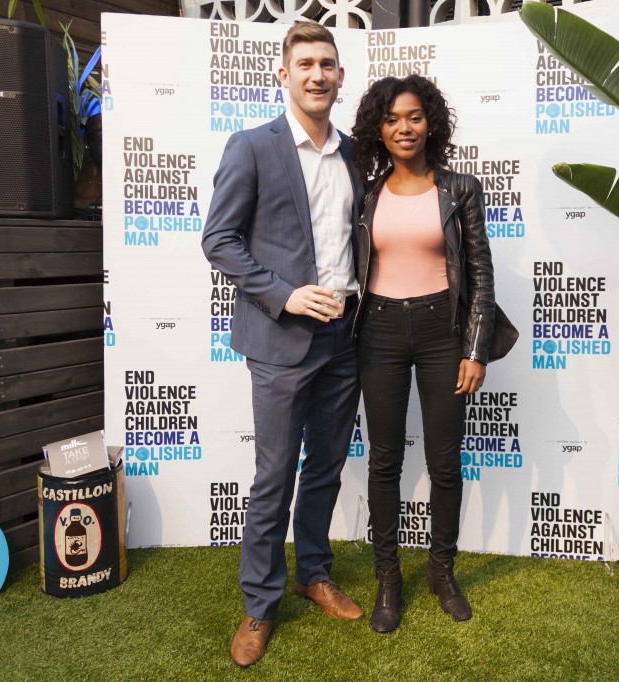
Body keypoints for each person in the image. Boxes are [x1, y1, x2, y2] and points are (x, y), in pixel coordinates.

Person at [201, 20, 364, 668]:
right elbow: (219, 240)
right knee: (274, 475)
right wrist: (284, 295)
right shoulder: (252, 146)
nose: (317, 75)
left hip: (345, 339)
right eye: (305, 64)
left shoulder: (356, 154)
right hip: (279, 340)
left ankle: (314, 573)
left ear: (340, 75)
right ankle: (259, 604)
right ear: (283, 73)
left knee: (325, 467)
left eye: (327, 64)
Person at [350, 74, 497, 633]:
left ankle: (442, 571)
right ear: (378, 130)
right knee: (384, 461)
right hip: (379, 331)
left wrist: (475, 349)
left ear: (430, 122)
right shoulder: (366, 193)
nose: (403, 127)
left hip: (442, 333)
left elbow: (480, 273)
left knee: (444, 462)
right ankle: (389, 578)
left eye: (413, 116)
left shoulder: (460, 188)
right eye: (391, 119)